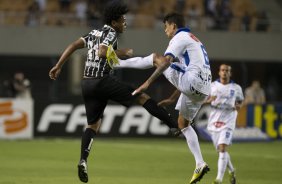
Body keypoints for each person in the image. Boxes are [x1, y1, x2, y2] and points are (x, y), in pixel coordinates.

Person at [48, 1, 179, 183]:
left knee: (92, 126)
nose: (125, 23)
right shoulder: (110, 32)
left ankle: (83, 160)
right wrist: (122, 52)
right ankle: (173, 124)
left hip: (86, 83)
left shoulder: (93, 32)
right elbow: (103, 52)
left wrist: (58, 65)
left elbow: (73, 45)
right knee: (141, 96)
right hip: (101, 80)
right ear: (114, 21)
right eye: (122, 20)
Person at [127, 12, 212, 184]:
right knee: (183, 124)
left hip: (193, 82)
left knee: (156, 58)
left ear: (173, 26)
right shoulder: (194, 39)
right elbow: (185, 72)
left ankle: (117, 63)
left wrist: (147, 83)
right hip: (203, 89)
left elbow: (165, 62)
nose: (165, 30)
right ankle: (200, 163)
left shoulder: (179, 37)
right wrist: (173, 98)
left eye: (166, 26)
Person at [205, 64, 244, 184]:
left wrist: (238, 106)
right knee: (221, 151)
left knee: (222, 148)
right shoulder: (212, 86)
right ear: (219, 72)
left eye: (227, 71)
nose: (225, 72)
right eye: (223, 70)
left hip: (229, 120)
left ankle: (219, 179)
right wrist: (209, 100)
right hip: (214, 121)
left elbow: (240, 101)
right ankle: (232, 170)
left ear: (230, 73)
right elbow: (203, 101)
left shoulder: (236, 87)